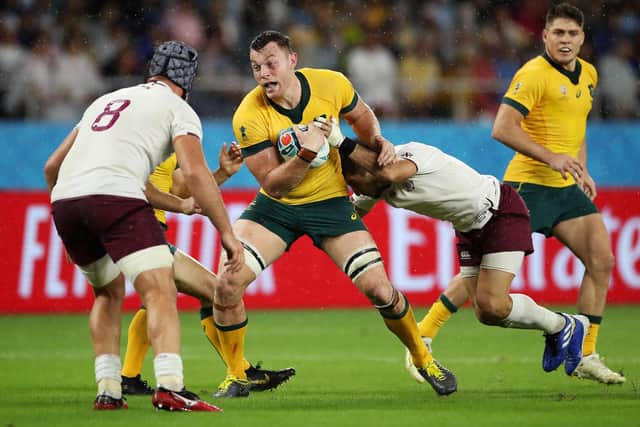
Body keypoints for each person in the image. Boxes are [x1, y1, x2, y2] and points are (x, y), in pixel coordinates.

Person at [211, 30, 456, 398]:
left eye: (271, 63)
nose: (263, 73)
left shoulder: (331, 83)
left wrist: (377, 140)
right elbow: (274, 184)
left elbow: (361, 115)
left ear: (293, 60)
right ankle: (236, 373)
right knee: (226, 285)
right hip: (276, 209)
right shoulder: (248, 114)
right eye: (256, 67)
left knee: (379, 289)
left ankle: (422, 356)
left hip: (331, 204)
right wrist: (307, 153)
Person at [414, 2, 625, 385]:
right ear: (545, 36)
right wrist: (551, 157)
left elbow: (574, 129)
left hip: (564, 190)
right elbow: (502, 127)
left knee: (602, 261)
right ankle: (422, 335)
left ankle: (585, 354)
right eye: (558, 33)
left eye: (572, 34)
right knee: (480, 279)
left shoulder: (589, 75)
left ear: (582, 38)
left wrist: (581, 168)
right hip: (527, 188)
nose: (565, 40)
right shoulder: (533, 75)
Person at [43, 40, 244, 412]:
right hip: (117, 200)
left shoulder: (105, 101)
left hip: (68, 203)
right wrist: (228, 234)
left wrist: (69, 215)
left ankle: (108, 389)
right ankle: (171, 387)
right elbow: (195, 172)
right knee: (159, 291)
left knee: (106, 295)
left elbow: (52, 167)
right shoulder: (177, 108)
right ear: (186, 80)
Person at [329, 125, 588, 383]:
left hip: (500, 211)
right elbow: (348, 215)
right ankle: (561, 327)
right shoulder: (375, 185)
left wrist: (340, 141)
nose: (357, 191)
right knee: (486, 314)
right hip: (469, 228)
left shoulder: (410, 155)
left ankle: (565, 326)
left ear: (366, 168)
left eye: (354, 183)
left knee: (494, 304)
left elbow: (391, 173)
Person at [121, 144, 296, 395]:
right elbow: (139, 188)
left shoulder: (161, 140)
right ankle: (240, 372)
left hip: (144, 231)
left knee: (180, 294)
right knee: (211, 290)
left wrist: (222, 174)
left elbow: (178, 188)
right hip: (139, 228)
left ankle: (129, 377)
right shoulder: (145, 136)